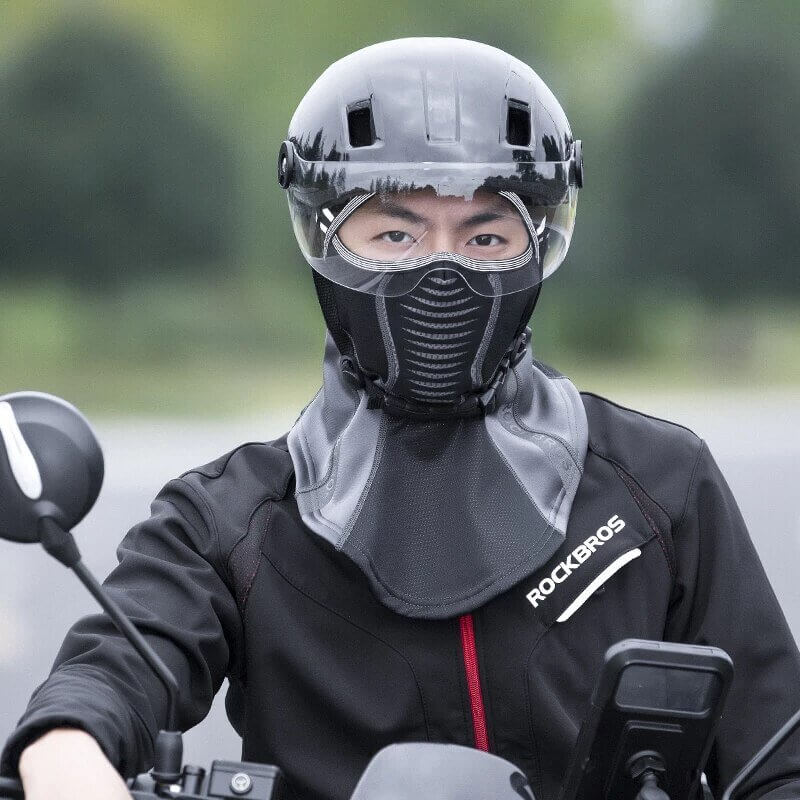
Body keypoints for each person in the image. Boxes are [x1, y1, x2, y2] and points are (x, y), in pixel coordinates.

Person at [4, 37, 800, 800]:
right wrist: (66, 743)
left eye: (485, 235)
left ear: (537, 246)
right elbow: (120, 661)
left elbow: (777, 755)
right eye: (394, 233)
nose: (441, 269)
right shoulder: (231, 521)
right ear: (324, 238)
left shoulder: (659, 486)